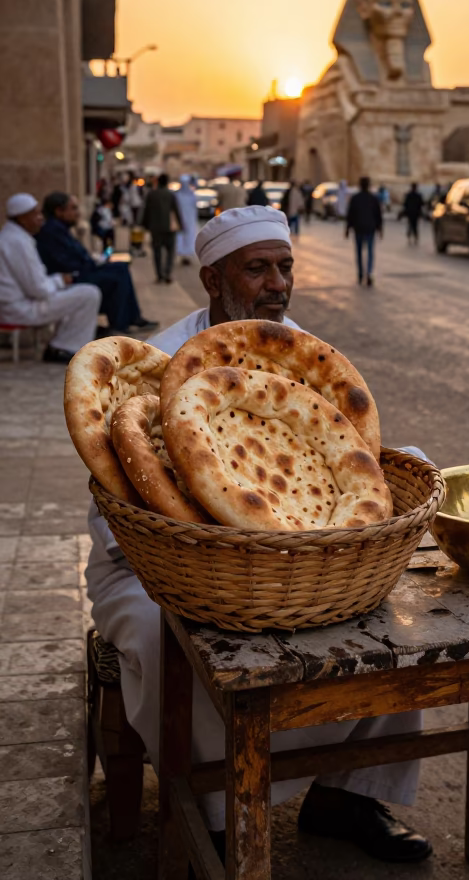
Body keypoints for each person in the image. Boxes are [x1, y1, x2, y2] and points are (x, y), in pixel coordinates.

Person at [85, 206, 432, 865]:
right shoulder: (155, 365)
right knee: (171, 638)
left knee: (386, 613)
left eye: (285, 267)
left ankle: (348, 793)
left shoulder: (301, 355)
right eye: (258, 269)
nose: (278, 284)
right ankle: (214, 812)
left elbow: (344, 457)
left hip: (285, 562)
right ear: (213, 279)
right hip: (149, 562)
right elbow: (118, 495)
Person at [0, 193, 101, 363]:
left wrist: (58, 282)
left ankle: (62, 344)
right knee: (89, 294)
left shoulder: (12, 237)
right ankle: (65, 347)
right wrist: (60, 280)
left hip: (19, 304)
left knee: (78, 292)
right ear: (22, 219)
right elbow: (38, 290)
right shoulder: (17, 242)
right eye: (36, 215)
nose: (41, 219)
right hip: (20, 308)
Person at [37, 193, 158, 335]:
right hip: (70, 278)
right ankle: (122, 322)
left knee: (121, 267)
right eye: (73, 208)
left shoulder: (59, 229)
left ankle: (131, 318)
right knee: (118, 273)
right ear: (59, 211)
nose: (77, 213)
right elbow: (65, 263)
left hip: (80, 271)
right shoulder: (52, 231)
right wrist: (91, 265)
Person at [140, 173, 182, 283]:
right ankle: (167, 273)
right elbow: (176, 211)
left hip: (155, 228)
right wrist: (181, 225)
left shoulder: (151, 194)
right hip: (169, 228)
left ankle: (159, 275)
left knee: (157, 252)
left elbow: (146, 211)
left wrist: (143, 224)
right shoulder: (170, 195)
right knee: (170, 252)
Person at [346, 177, 383, 286]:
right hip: (370, 228)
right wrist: (380, 228)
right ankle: (369, 273)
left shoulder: (355, 198)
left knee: (359, 252)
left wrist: (348, 228)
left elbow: (350, 215)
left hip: (359, 228)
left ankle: (361, 274)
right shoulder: (373, 198)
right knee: (370, 252)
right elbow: (378, 215)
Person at [174, 175, 198, 265]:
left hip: (190, 220)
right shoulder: (177, 195)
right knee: (180, 238)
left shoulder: (192, 195)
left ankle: (187, 256)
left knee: (189, 237)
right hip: (180, 219)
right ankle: (182, 255)